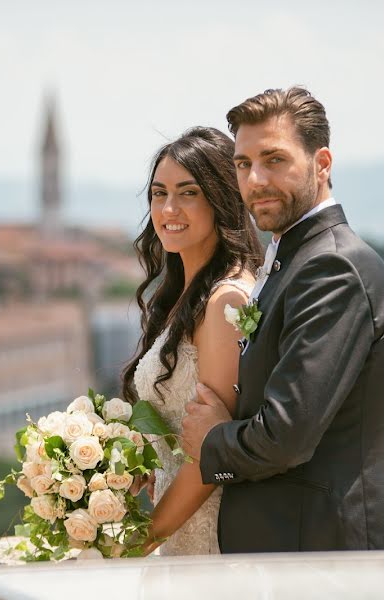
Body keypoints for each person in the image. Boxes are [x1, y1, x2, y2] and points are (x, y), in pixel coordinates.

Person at [181, 87, 384, 552]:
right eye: (244, 164)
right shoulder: (293, 257)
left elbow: (285, 438)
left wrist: (211, 445)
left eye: (274, 160)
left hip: (330, 558)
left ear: (322, 164)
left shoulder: (334, 268)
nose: (255, 180)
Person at [120, 126, 262, 555]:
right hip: (175, 526)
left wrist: (140, 540)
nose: (168, 208)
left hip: (206, 537)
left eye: (187, 193)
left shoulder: (225, 301)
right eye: (159, 193)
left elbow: (210, 455)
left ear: (221, 198)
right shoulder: (187, 289)